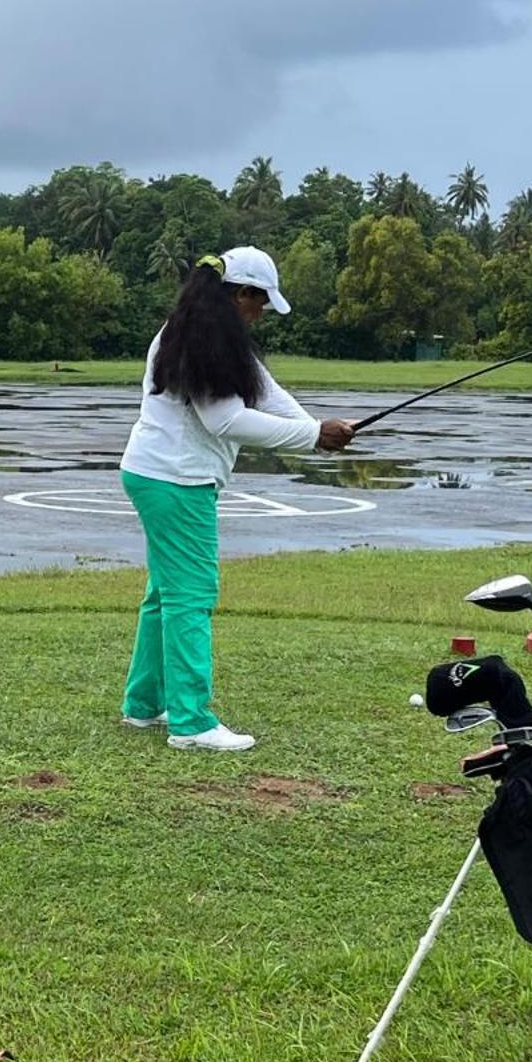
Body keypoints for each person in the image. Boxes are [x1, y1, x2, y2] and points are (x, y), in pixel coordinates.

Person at [119, 246, 355, 751]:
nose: (262, 311)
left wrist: (316, 427)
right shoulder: (202, 338)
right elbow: (224, 420)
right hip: (177, 480)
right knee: (191, 596)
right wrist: (313, 436)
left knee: (165, 594)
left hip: (157, 474)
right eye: (260, 301)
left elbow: (266, 394)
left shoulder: (205, 333)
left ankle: (144, 706)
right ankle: (190, 723)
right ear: (240, 293)